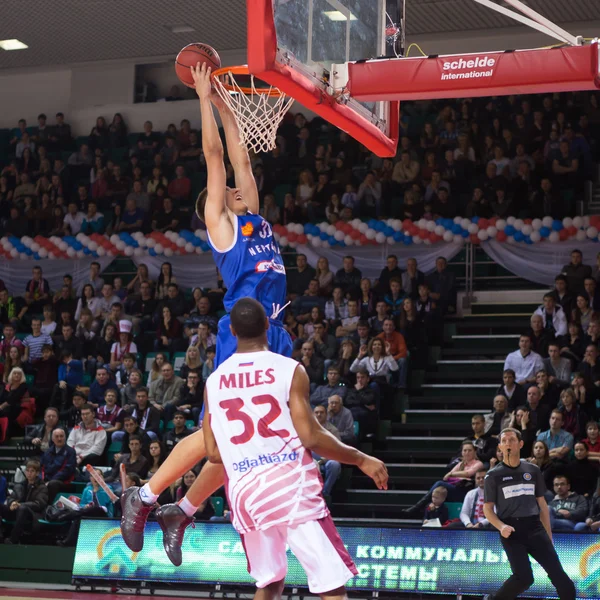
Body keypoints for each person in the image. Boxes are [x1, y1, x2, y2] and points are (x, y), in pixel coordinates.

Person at [120, 62, 294, 559]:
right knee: (212, 435)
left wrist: (223, 99)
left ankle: (184, 509)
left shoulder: (255, 219)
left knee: (243, 443)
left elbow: (238, 151)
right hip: (240, 337)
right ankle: (145, 497)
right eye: (226, 190)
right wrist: (200, 95)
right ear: (215, 204)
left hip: (275, 337)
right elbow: (215, 154)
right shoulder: (223, 226)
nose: (239, 187)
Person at [202, 297, 387, 598]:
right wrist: (361, 459)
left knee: (270, 581)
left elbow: (212, 453)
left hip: (246, 494)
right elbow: (312, 437)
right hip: (291, 488)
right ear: (267, 324)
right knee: (331, 584)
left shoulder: (214, 381)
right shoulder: (289, 369)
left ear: (232, 331)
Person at [482, 428, 576, 600]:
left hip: (534, 528)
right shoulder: (492, 475)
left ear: (521, 444)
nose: (508, 443)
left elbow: (542, 505)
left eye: (512, 440)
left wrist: (548, 535)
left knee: (562, 580)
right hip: (511, 530)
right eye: (504, 441)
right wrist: (501, 526)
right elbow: (487, 508)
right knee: (524, 579)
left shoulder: (532, 470)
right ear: (500, 447)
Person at [0, 460, 48, 544]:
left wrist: (19, 504)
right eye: (27, 471)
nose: (29, 473)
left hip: (33, 515)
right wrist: (12, 503)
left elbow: (39, 504)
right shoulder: (20, 485)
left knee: (22, 508)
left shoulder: (42, 487)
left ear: (37, 473)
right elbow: (10, 497)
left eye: (32, 471)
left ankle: (13, 540)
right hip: (16, 511)